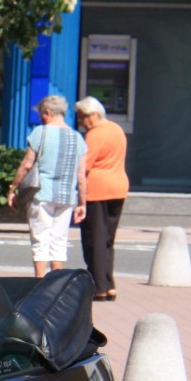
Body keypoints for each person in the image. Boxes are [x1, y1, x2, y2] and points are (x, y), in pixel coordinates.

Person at [7, 95, 88, 278]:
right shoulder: (78, 138)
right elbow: (81, 176)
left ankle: (39, 280)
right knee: (59, 240)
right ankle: (56, 282)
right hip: (67, 197)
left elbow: (26, 165)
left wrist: (13, 188)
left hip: (42, 194)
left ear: (48, 112)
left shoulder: (40, 133)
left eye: (41, 114)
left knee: (40, 238)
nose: (40, 118)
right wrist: (82, 203)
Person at [75, 96, 128, 301]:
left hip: (97, 189)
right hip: (119, 186)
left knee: (94, 238)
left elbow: (85, 165)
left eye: (82, 117)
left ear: (93, 115)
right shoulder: (116, 129)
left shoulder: (95, 135)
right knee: (107, 239)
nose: (80, 122)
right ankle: (109, 283)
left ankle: (98, 286)